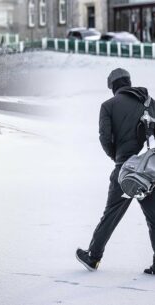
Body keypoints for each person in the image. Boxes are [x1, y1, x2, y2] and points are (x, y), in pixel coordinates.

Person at [76, 68, 155, 274]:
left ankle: (93, 257)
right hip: (150, 170)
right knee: (154, 217)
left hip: (126, 170)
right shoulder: (148, 102)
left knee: (112, 213)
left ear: (113, 87)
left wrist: (118, 158)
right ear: (128, 82)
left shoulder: (108, 106)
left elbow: (104, 138)